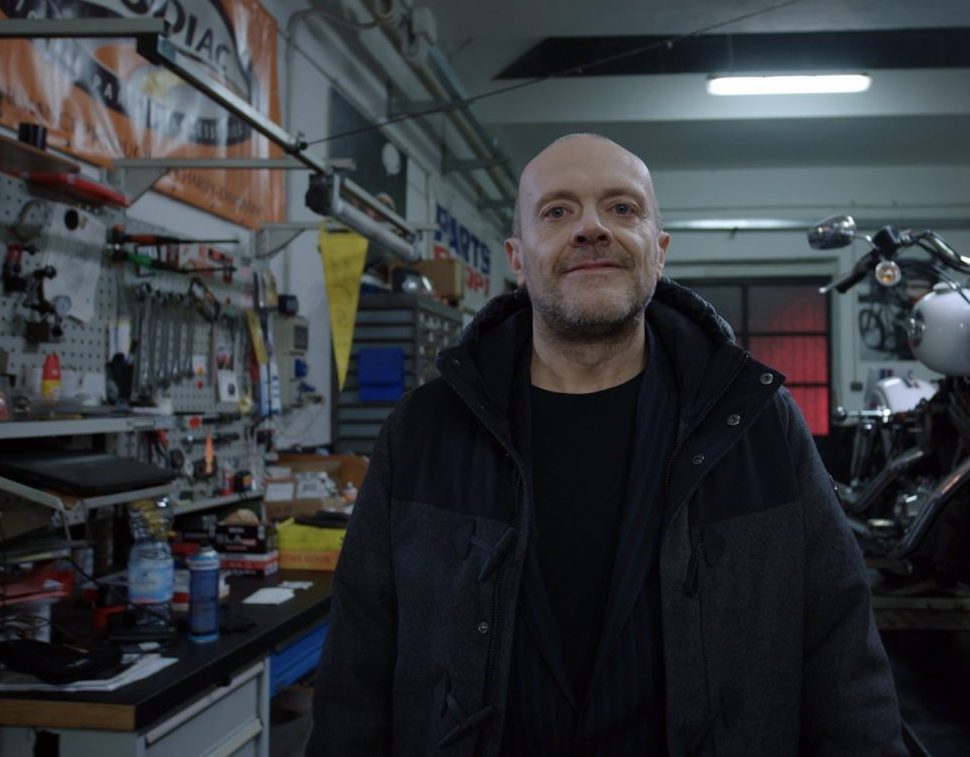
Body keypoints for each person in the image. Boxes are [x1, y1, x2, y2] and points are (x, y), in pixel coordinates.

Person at [307, 134, 904, 755]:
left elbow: (841, 654)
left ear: (659, 251)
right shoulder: (425, 430)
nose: (591, 228)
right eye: (556, 211)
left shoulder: (754, 425)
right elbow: (357, 671)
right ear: (517, 257)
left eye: (622, 208)